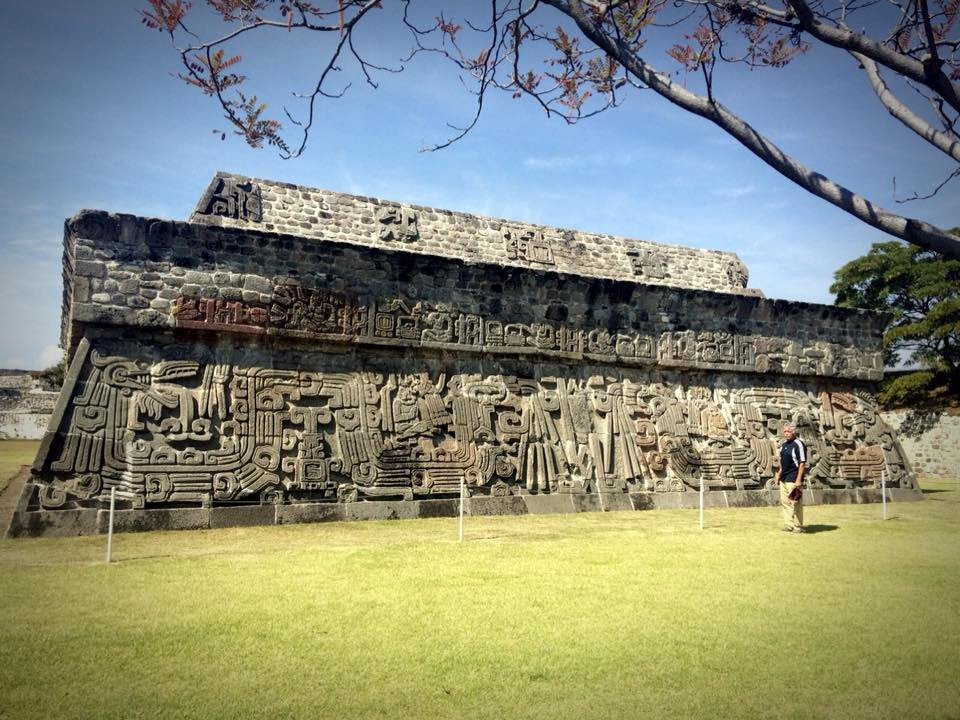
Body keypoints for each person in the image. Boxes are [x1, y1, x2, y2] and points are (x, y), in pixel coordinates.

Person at [772, 423, 806, 533]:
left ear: (793, 432)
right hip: (784, 478)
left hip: (794, 478)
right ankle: (789, 524)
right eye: (785, 432)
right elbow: (782, 462)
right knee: (785, 502)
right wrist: (778, 474)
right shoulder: (783, 445)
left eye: (789, 432)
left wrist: (798, 480)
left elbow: (802, 463)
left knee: (795, 502)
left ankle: (798, 526)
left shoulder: (799, 444)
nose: (786, 434)